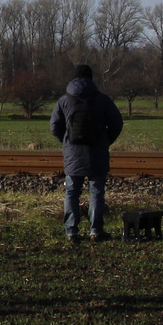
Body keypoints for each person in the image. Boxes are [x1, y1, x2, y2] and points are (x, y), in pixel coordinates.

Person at [49, 64, 125, 243]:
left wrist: (67, 142)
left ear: (73, 79)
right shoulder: (103, 99)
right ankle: (96, 230)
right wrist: (106, 141)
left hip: (72, 153)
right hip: (97, 152)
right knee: (96, 192)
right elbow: (117, 124)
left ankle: (71, 231)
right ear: (91, 79)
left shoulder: (64, 100)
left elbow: (54, 127)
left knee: (71, 192)